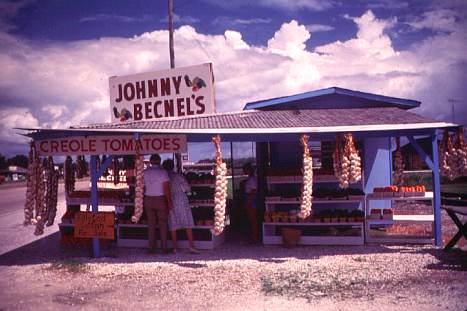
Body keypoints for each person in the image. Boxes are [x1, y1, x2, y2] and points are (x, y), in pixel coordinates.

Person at [162, 159, 200, 254]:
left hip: (169, 199)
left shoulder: (164, 176)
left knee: (173, 224)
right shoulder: (178, 176)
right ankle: (191, 246)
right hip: (181, 199)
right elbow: (187, 188)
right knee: (187, 223)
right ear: (173, 166)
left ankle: (175, 247)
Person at [143, 154, 173, 254]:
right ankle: (164, 247)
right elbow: (166, 188)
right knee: (163, 224)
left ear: (150, 161)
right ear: (159, 161)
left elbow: (142, 187)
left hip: (148, 198)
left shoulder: (145, 172)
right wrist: (169, 202)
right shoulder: (163, 172)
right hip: (160, 198)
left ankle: (151, 248)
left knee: (151, 224)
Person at [243, 163, 260, 243]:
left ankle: (255, 237)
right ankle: (254, 236)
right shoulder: (250, 179)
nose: (244, 171)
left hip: (251, 199)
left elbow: (254, 191)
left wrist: (249, 201)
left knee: (253, 219)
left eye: (245, 169)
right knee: (251, 219)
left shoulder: (252, 179)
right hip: (249, 198)